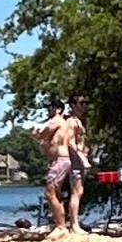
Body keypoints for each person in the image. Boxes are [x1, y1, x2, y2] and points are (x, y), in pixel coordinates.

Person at [33, 98, 71, 234]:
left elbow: (44, 132)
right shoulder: (60, 123)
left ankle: (61, 226)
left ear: (59, 109)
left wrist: (36, 133)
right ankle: (60, 225)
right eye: (48, 107)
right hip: (58, 160)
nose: (49, 110)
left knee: (50, 192)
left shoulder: (56, 120)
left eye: (52, 107)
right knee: (55, 193)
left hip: (60, 160)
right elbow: (45, 143)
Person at [65, 95, 91, 234]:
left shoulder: (79, 121)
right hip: (76, 160)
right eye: (82, 103)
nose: (84, 105)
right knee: (76, 191)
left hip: (81, 159)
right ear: (73, 105)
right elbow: (70, 142)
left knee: (79, 191)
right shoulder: (71, 122)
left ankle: (75, 223)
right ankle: (74, 225)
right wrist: (82, 158)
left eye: (86, 102)